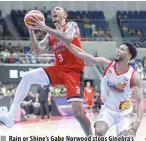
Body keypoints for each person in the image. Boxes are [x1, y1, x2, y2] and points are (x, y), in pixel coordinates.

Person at [0, 6, 92, 136]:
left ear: (65, 15)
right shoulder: (50, 35)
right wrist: (31, 31)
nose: (54, 11)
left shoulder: (72, 25)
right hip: (58, 69)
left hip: (74, 71)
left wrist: (44, 28)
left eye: (58, 9)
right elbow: (37, 51)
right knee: (27, 76)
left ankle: (90, 136)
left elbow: (67, 38)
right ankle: (10, 116)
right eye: (53, 10)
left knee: (78, 113)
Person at [63, 41, 144, 136]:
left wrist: (138, 121)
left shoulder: (134, 76)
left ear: (129, 56)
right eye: (118, 48)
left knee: (125, 137)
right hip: (108, 109)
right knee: (99, 131)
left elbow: (140, 100)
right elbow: (81, 54)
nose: (118, 51)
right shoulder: (107, 64)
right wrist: (66, 42)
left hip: (125, 112)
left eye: (122, 49)